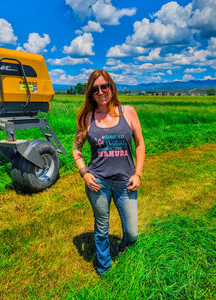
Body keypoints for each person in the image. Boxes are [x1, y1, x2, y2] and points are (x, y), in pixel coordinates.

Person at [72, 70, 145, 275]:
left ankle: (124, 249)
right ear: (90, 93)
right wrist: (84, 173)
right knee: (101, 228)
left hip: (126, 183)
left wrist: (137, 173)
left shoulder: (128, 112)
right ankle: (104, 267)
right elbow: (76, 148)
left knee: (132, 232)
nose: (101, 91)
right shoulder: (87, 117)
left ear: (112, 87)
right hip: (99, 183)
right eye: (95, 89)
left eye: (105, 86)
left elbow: (140, 144)